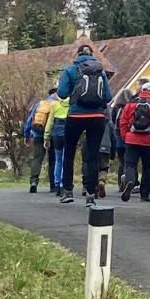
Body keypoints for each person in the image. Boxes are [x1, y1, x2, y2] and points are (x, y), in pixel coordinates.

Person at [57, 44, 112, 206]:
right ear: (92, 55)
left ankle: (67, 191)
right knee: (93, 155)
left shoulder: (70, 70)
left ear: (78, 54)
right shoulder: (100, 71)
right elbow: (108, 96)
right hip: (97, 117)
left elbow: (61, 93)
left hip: (75, 115)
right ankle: (90, 193)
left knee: (69, 153)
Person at [118, 80, 150, 202]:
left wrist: (125, 136)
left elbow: (123, 122)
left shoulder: (131, 104)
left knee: (130, 164)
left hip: (132, 139)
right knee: (148, 167)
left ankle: (130, 181)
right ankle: (145, 195)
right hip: (148, 140)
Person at [23, 89, 59, 193]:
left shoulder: (39, 104)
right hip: (53, 136)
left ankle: (34, 181)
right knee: (53, 160)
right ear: (55, 94)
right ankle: (53, 185)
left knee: (37, 159)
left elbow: (30, 120)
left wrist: (27, 135)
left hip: (38, 135)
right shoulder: (58, 105)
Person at [43, 94, 70, 196]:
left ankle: (57, 184)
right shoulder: (72, 106)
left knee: (58, 160)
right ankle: (64, 184)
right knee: (65, 159)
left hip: (57, 135)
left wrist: (46, 138)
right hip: (68, 134)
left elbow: (50, 123)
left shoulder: (56, 105)